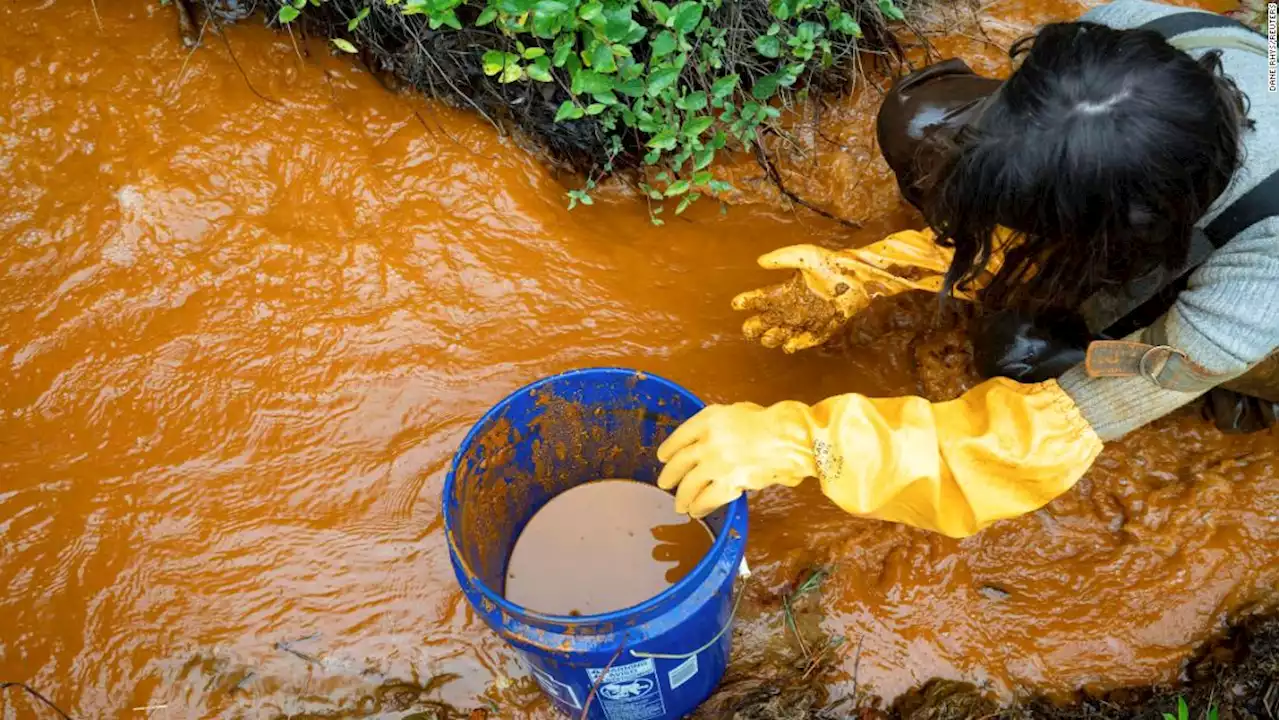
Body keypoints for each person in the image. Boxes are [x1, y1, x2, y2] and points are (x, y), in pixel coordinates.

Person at [656, 0, 1280, 538]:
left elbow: (1034, 440)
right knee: (919, 122)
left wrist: (803, 443)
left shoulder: (1255, 288)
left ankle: (1227, 402)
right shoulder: (1127, 32)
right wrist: (879, 270)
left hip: (1251, 330)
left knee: (1021, 355)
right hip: (1151, 201)